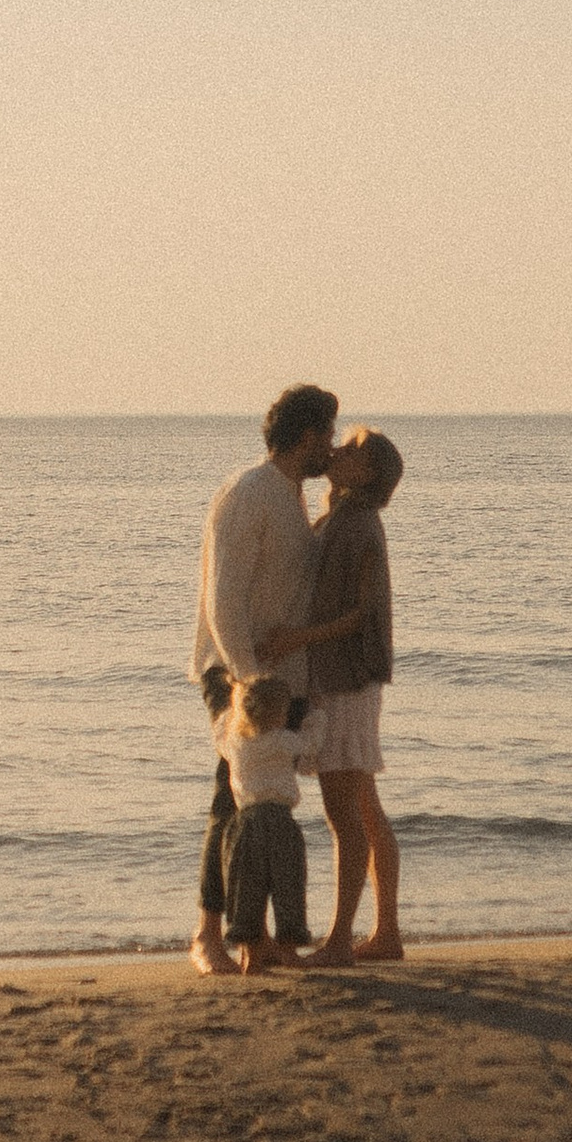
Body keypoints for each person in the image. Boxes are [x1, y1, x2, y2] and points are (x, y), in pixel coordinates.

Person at [186, 386, 342, 976]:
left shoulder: (293, 497)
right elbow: (223, 601)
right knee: (234, 799)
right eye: (326, 433)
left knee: (268, 805)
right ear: (304, 436)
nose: (330, 444)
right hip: (237, 672)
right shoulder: (249, 493)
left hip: (277, 677)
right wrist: (250, 682)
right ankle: (207, 936)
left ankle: (265, 940)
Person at [303, 428, 405, 963]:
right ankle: (385, 932)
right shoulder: (342, 518)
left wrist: (297, 639)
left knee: (344, 812)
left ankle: (341, 938)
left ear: (366, 473)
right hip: (350, 678)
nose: (337, 449)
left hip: (346, 679)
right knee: (364, 806)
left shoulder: (359, 525)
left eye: (351, 448)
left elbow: (359, 615)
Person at [216, 674, 319, 971]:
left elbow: (220, 728)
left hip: (245, 823)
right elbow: (311, 744)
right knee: (288, 885)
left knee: (246, 889)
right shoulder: (282, 740)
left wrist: (233, 698)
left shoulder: (235, 744)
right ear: (279, 713)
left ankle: (250, 953)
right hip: (279, 820)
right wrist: (317, 715)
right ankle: (289, 950)